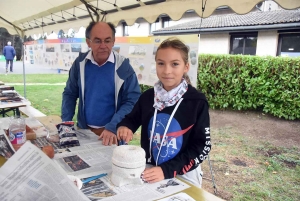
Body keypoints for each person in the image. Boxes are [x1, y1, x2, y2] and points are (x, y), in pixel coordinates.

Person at [117, 38, 211, 187]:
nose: (167, 71)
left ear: (186, 67)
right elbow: (132, 119)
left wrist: (167, 170)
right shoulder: (148, 97)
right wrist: (125, 126)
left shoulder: (197, 102)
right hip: (151, 170)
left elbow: (202, 147)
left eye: (175, 64)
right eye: (161, 63)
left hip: (184, 174)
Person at [61, 22, 141, 146]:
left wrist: (113, 126)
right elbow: (70, 93)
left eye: (107, 41)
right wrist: (66, 121)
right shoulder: (80, 63)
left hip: (111, 133)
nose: (103, 46)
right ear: (88, 42)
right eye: (98, 41)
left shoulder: (123, 66)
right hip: (84, 129)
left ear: (113, 41)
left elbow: (132, 100)